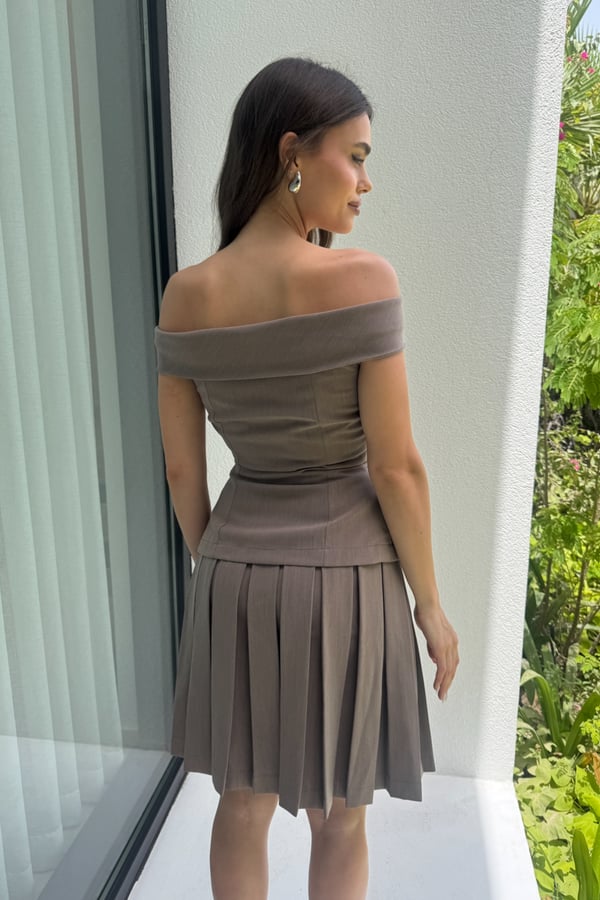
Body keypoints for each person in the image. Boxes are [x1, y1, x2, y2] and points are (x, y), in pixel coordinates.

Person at [154, 56, 459, 900]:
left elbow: (182, 468)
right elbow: (396, 467)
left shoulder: (186, 296)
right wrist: (430, 606)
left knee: (240, 803)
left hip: (235, 576)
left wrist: (221, 565)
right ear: (293, 153)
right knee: (342, 815)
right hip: (350, 578)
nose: (365, 182)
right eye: (355, 157)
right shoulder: (362, 281)